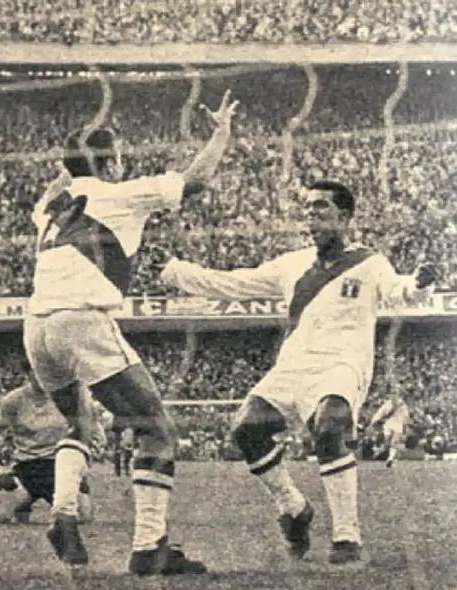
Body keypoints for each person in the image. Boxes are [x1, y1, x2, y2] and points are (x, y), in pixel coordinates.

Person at [160, 179, 439, 564]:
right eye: (308, 208)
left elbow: (399, 290)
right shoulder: (291, 264)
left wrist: (419, 285)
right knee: (245, 429)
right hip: (293, 366)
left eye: (321, 208)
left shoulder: (370, 264)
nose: (312, 215)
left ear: (344, 217)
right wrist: (177, 273)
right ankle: (294, 508)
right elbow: (234, 283)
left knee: (329, 426)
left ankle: (347, 537)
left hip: (342, 364)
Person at [24, 90, 237, 575]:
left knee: (81, 424)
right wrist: (222, 132)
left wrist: (73, 162)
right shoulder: (119, 193)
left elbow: (66, 178)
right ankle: (148, 547)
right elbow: (197, 179)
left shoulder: (49, 206)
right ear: (110, 162)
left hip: (36, 327)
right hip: (82, 317)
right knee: (157, 429)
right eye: (117, 157)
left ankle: (62, 513)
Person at [0, 373, 104, 525]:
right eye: (37, 370)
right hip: (26, 468)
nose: (43, 376)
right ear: (29, 373)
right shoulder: (14, 400)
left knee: (82, 517)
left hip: (62, 467)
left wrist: (81, 463)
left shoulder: (72, 399)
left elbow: (96, 435)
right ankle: (21, 505)